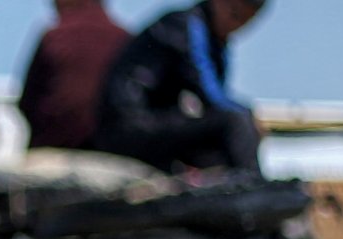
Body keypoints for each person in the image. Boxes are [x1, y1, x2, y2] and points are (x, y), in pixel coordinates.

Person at [88, 0, 266, 173]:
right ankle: (255, 186)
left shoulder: (213, 38)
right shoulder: (186, 25)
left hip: (154, 124)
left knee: (218, 151)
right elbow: (207, 90)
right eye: (234, 14)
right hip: (128, 128)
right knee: (235, 120)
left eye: (245, 21)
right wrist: (247, 116)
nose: (235, 25)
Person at [17, 0, 132, 151]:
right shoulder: (124, 38)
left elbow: (28, 101)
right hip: (111, 145)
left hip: (55, 143)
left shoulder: (54, 37)